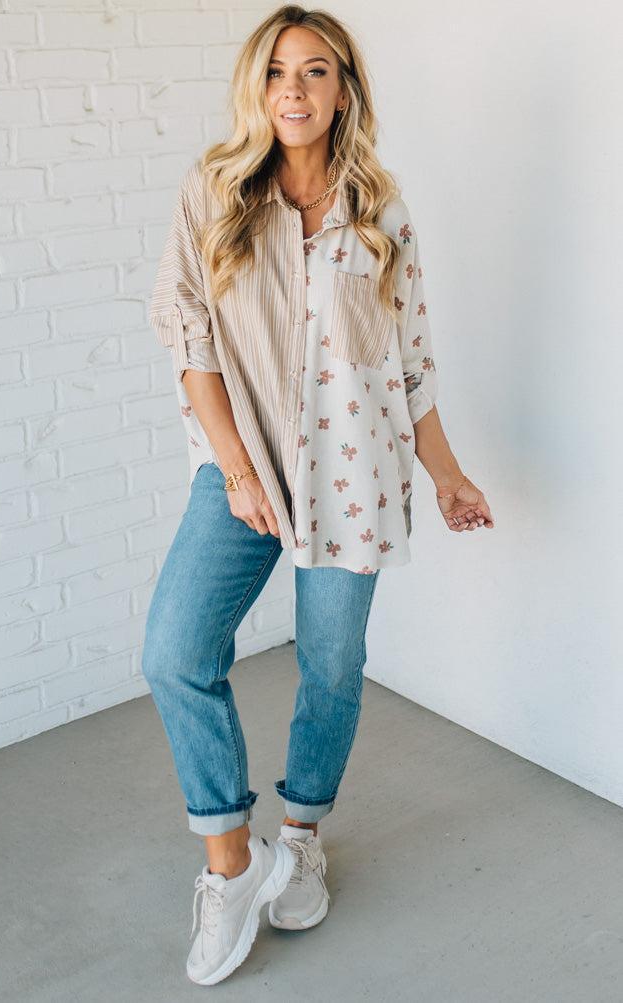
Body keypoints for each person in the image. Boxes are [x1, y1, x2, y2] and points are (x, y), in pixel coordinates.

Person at [141, 3, 494, 987]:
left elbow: (410, 363)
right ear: (256, 89)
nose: (293, 89)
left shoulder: (381, 210)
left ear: (345, 89)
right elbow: (190, 341)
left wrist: (449, 473)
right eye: (276, 72)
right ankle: (230, 861)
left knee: (332, 665)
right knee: (174, 651)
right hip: (242, 468)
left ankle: (299, 834)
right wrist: (241, 473)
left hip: (357, 473)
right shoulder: (216, 192)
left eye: (316, 70)